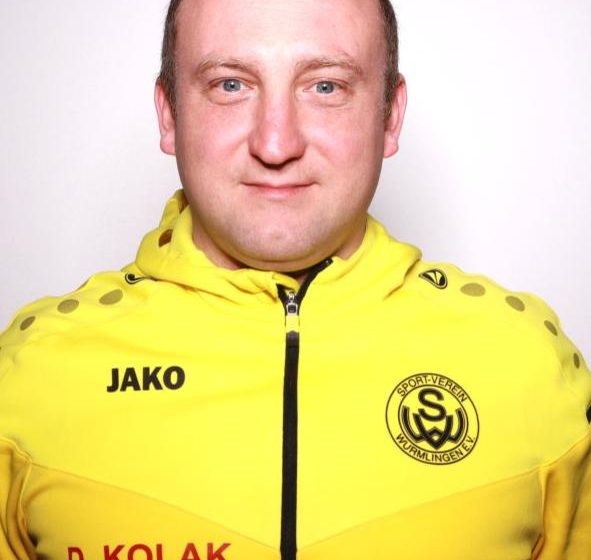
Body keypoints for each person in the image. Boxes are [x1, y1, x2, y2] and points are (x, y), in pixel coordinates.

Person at [0, 0, 589, 558]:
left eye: (325, 86)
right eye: (230, 85)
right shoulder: (31, 375)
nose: (276, 144)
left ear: (390, 116)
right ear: (169, 114)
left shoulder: (527, 363)